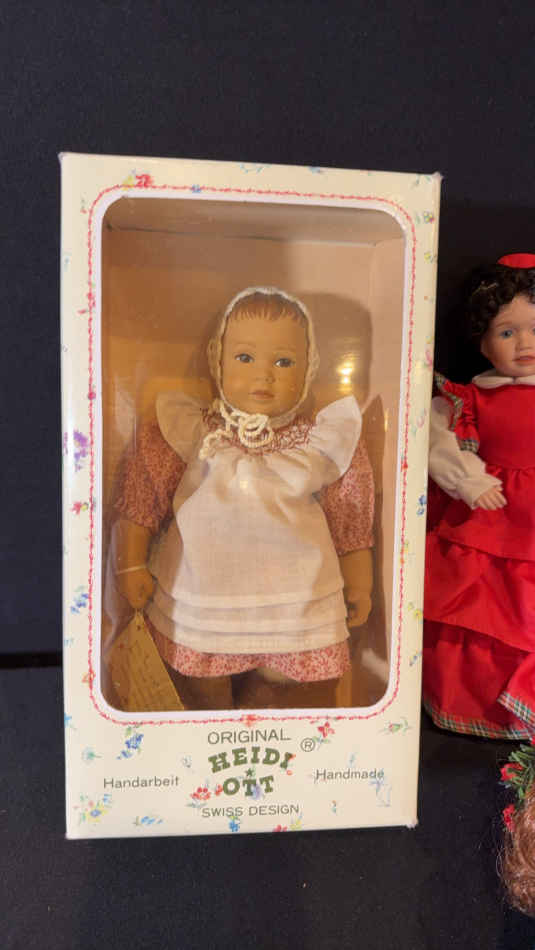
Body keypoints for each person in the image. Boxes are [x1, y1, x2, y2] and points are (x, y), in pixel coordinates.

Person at [111, 287, 374, 710]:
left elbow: (349, 512)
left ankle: (257, 717)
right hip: (204, 593)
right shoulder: (196, 432)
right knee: (203, 681)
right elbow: (145, 494)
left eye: (283, 362)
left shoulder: (319, 440)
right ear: (218, 359)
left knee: (281, 682)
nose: (263, 376)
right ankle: (215, 718)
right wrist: (130, 561)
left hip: (296, 601)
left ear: (310, 366)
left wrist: (359, 578)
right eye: (245, 357)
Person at [423, 253, 535, 738]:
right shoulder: (469, 399)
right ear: (483, 342)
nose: (525, 343)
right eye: (507, 332)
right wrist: (469, 480)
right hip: (490, 521)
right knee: (480, 612)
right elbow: (437, 442)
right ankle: (480, 704)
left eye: (534, 329)